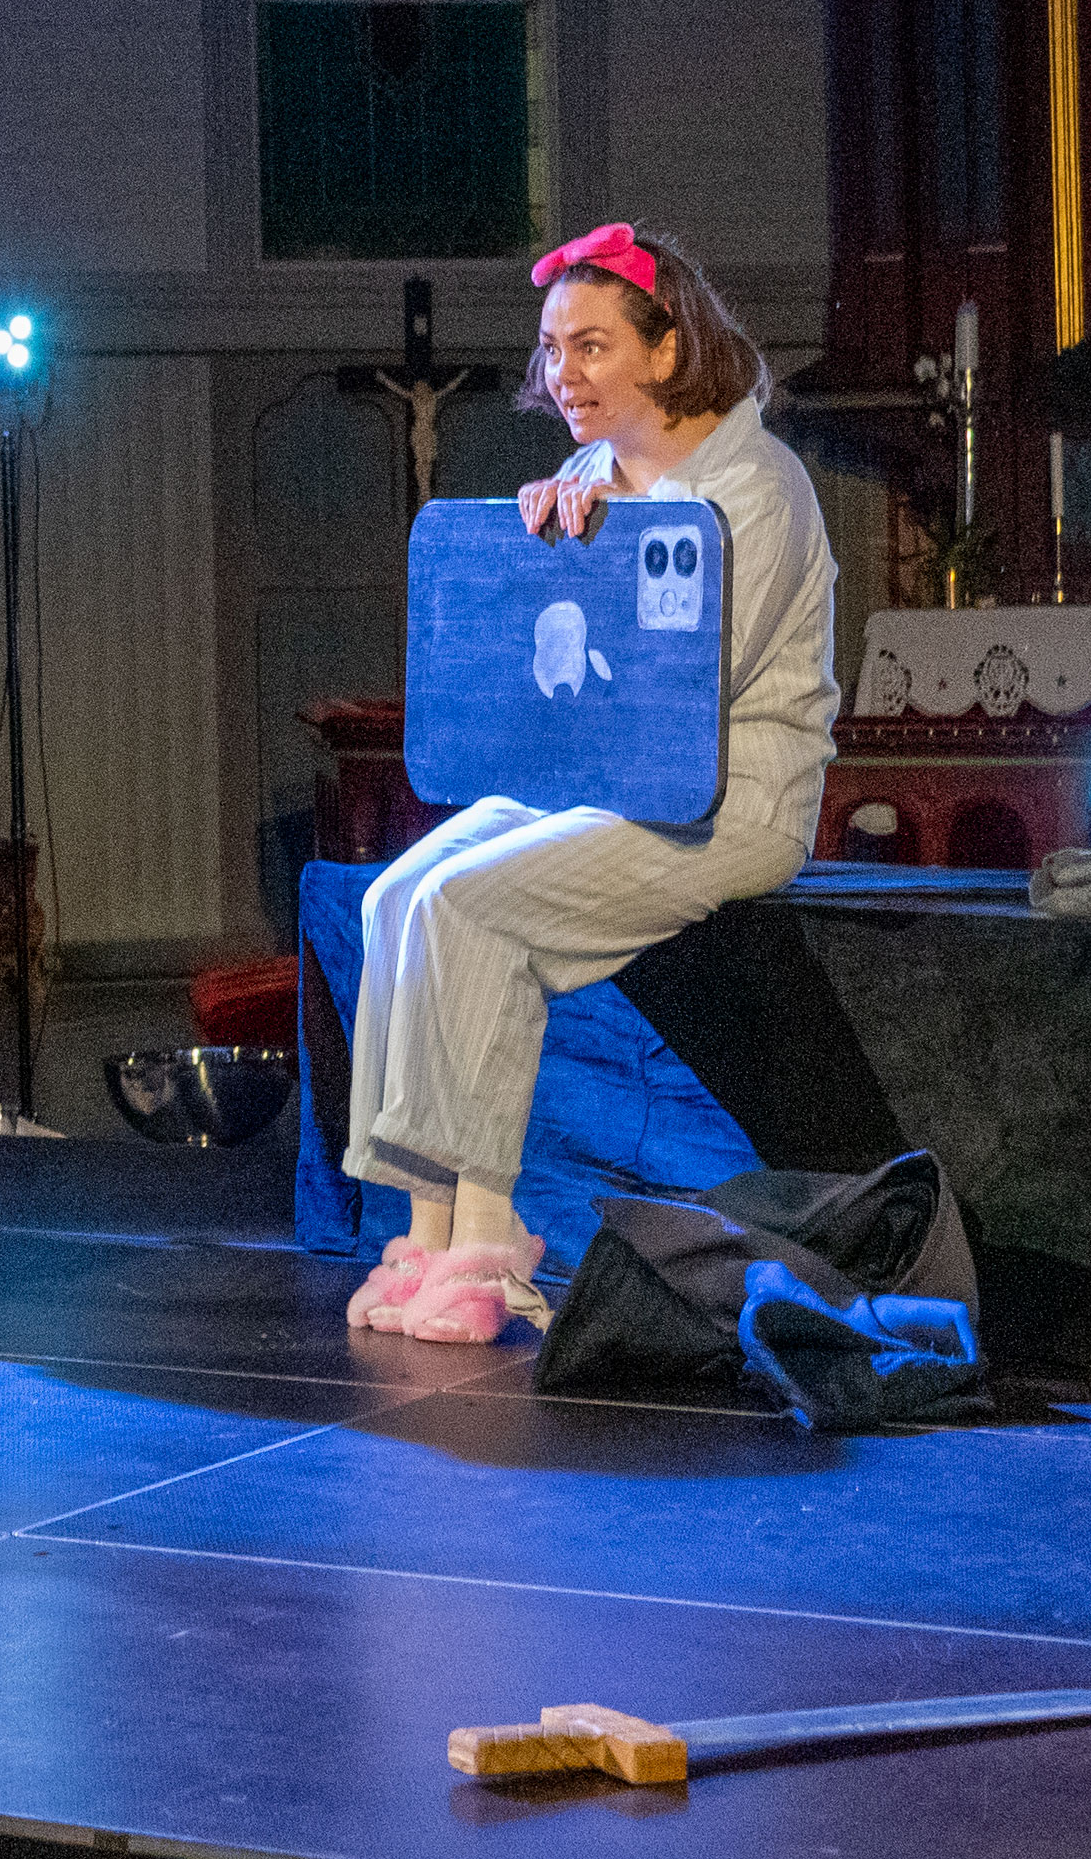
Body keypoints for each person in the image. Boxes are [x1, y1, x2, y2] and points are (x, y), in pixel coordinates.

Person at [337, 223, 838, 1345]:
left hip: (725, 802)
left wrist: (599, 563)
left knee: (468, 905)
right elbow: (551, 673)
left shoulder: (756, 486)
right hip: (596, 783)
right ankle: (422, 1234)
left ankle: (487, 1244)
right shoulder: (587, 474)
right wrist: (539, 562)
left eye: (592, 346)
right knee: (390, 899)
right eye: (553, 349)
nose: (562, 374)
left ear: (665, 351)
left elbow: (685, 691)